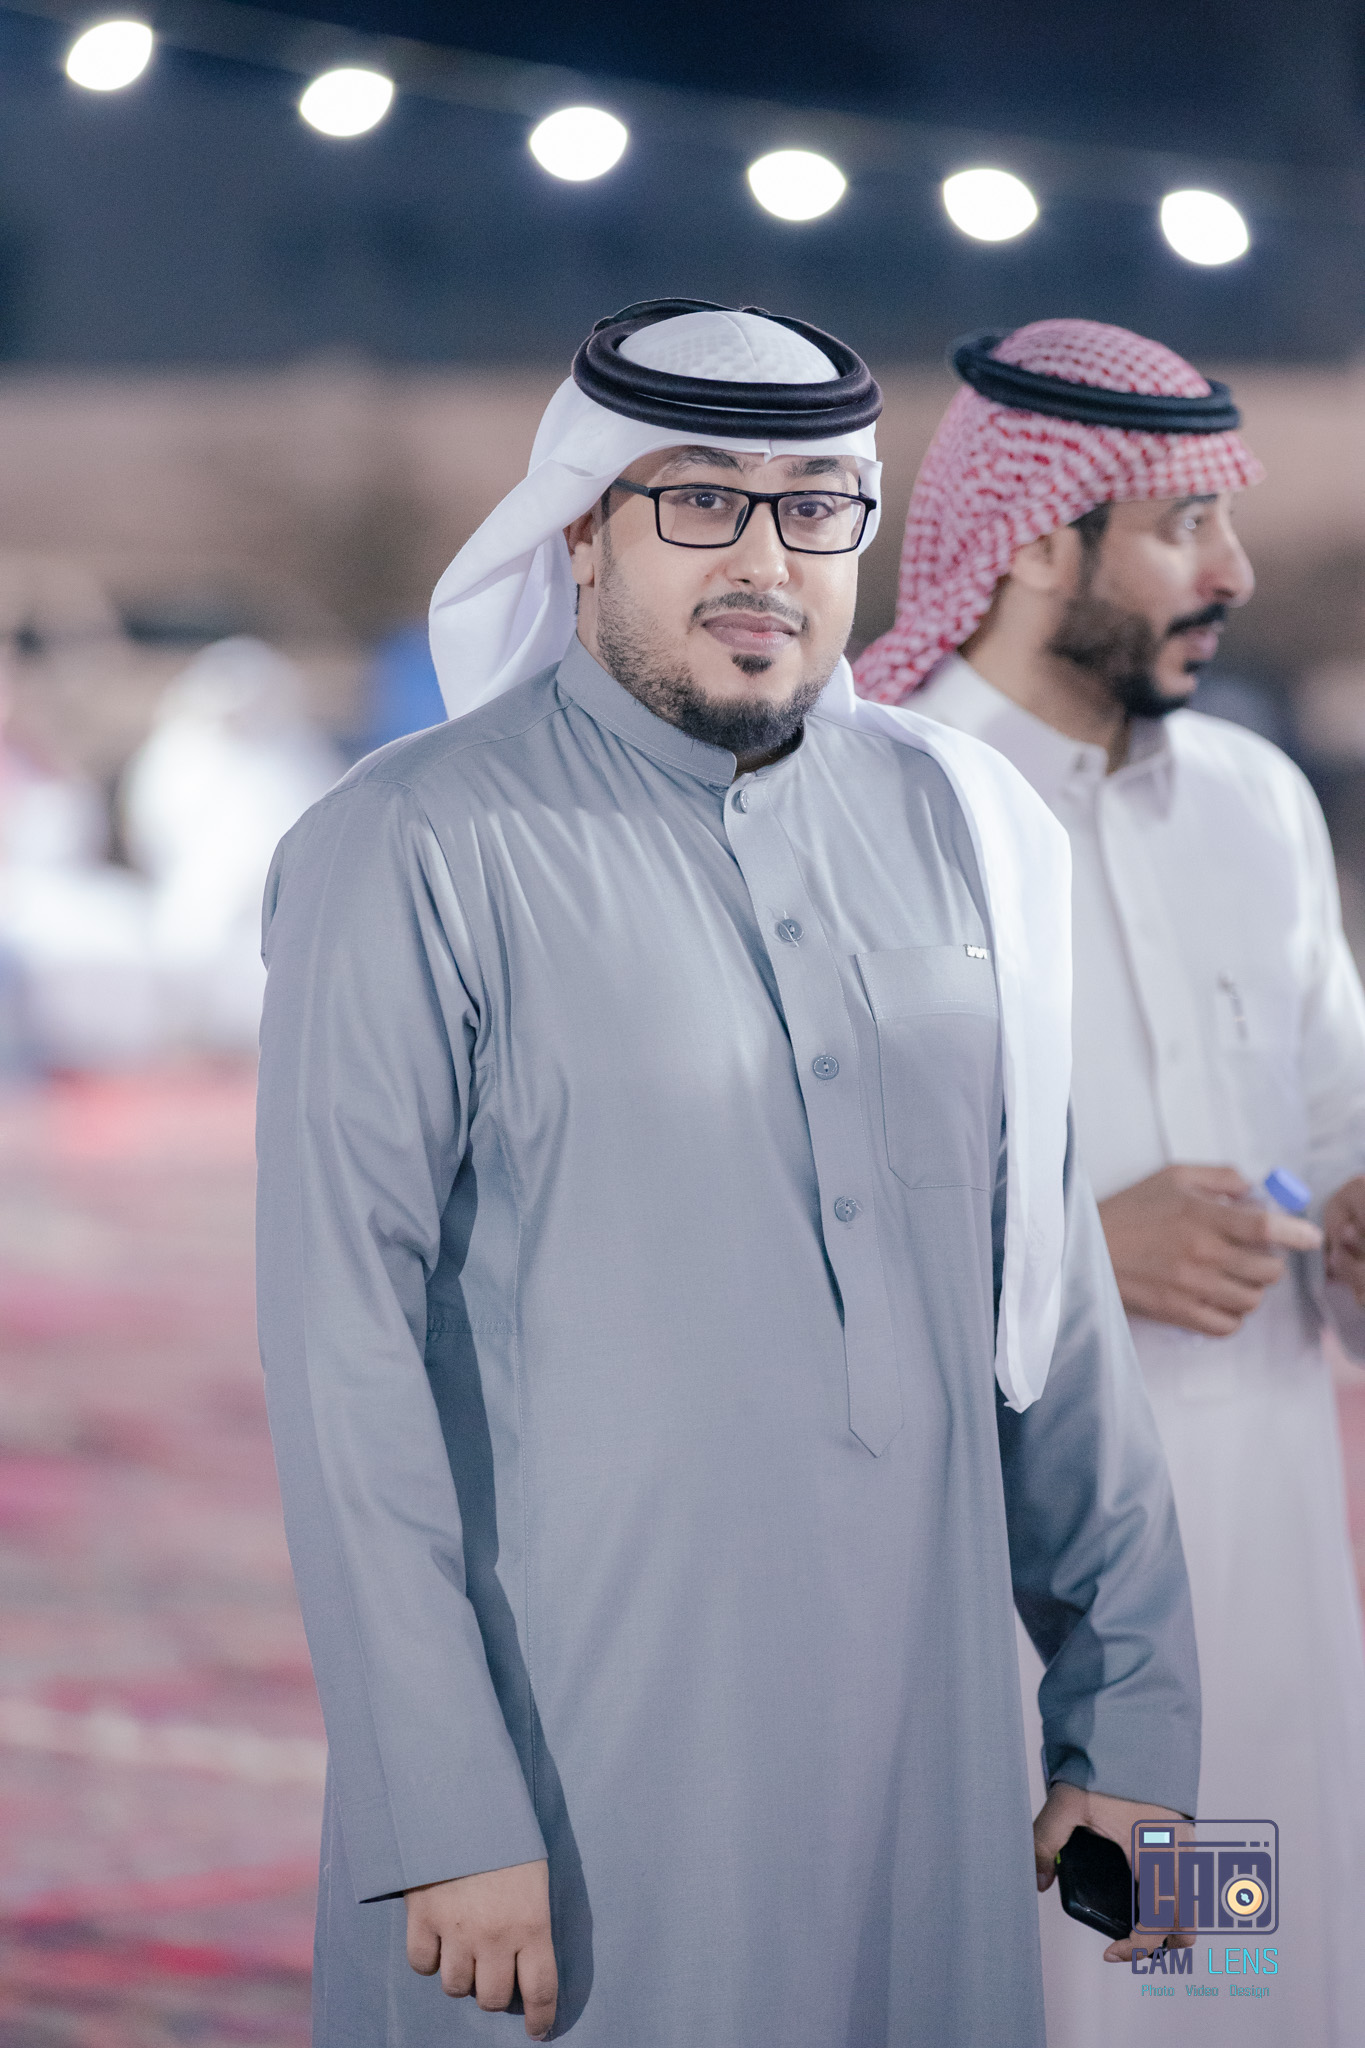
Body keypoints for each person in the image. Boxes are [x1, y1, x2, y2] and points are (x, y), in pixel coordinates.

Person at [257, 299, 1200, 2048]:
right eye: (698, 501)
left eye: (813, 507)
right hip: (574, 1769)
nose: (763, 559)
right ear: (581, 528)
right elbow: (343, 1363)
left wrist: (1128, 1719)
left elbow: (1049, 1311)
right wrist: (440, 1807)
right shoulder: (409, 847)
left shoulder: (966, 831)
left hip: (924, 1745)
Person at [858, 317, 1365, 2045]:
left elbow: (1329, 1118)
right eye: (1179, 526)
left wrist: (1350, 1219)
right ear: (1028, 542)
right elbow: (775, 1219)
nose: (1229, 572)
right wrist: (1080, 1249)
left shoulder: (1251, 801)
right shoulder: (869, 809)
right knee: (1047, 1987)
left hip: (1262, 1538)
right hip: (1012, 1570)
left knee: (1220, 1971)